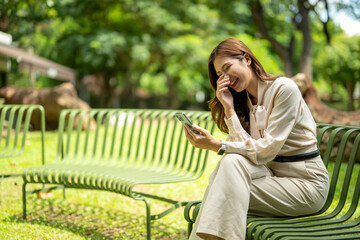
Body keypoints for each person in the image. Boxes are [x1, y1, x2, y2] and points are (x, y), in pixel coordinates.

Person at [183, 38, 329, 240]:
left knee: (222, 191)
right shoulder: (246, 102)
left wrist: (217, 145)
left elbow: (265, 151)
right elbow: (247, 153)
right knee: (231, 163)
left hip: (305, 186)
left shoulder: (284, 89)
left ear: (246, 59)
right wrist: (229, 108)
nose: (225, 77)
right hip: (272, 180)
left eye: (227, 68)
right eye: (219, 75)